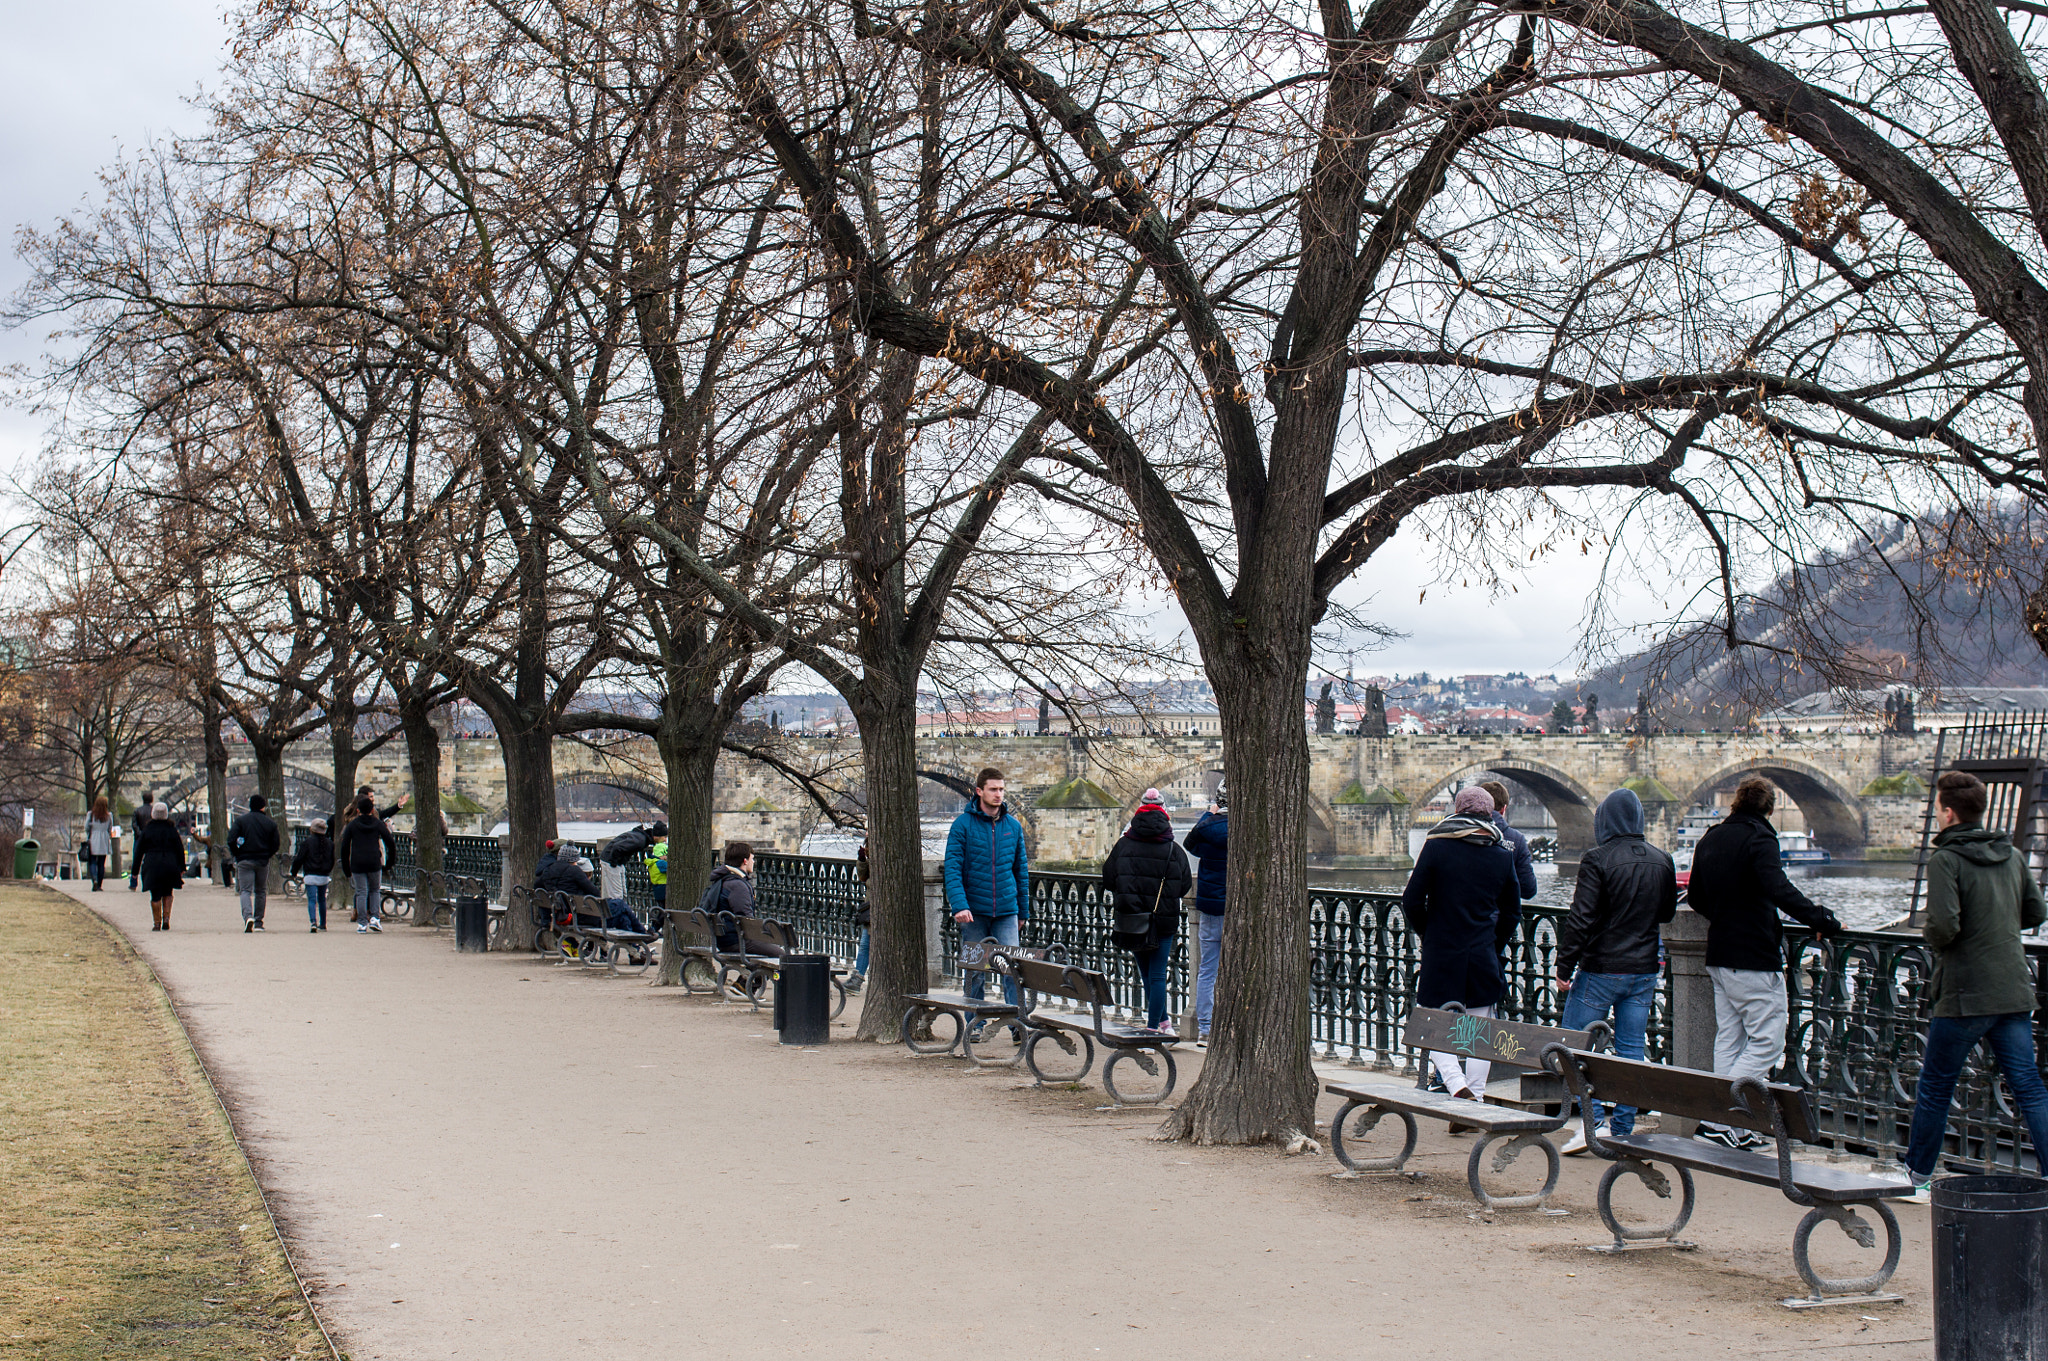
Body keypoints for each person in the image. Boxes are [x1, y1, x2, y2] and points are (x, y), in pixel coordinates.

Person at [1900, 771, 2048, 1201]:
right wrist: (1997, 923)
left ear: (1947, 812)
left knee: (1936, 1087)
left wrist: (1937, 937)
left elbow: (1944, 927)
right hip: (2013, 987)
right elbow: (2035, 913)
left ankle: (1918, 1176)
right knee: (2029, 1087)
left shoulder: (1947, 859)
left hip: (1966, 991)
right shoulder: (2011, 854)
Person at [1686, 775, 1842, 1148]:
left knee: (1730, 1039)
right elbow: (1779, 889)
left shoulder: (1711, 837)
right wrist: (1819, 918)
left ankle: (1733, 1128)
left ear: (1736, 803)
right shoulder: (1760, 838)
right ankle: (1722, 1118)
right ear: (1769, 808)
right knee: (1767, 1042)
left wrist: (1724, 915)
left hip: (1719, 954)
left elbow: (1695, 897)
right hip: (1753, 955)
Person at [1555, 788, 1678, 1152]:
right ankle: (1621, 1127)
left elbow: (1582, 918)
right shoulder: (1663, 859)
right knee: (1630, 1051)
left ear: (1604, 821)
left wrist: (1565, 964)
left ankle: (1590, 1125)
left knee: (1575, 1046)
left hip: (1602, 968)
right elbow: (1667, 914)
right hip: (1643, 970)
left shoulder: (1598, 858)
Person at [1402, 785, 1522, 1102]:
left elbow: (1412, 900)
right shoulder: (1501, 854)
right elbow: (1512, 911)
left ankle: (1456, 1085)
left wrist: (1430, 933)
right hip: (1482, 952)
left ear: (1457, 811)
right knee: (1479, 1028)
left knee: (1431, 1020)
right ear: (1488, 815)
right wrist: (1493, 942)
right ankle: (1476, 1097)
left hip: (1443, 950)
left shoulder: (1437, 848)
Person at [1103, 789, 1193, 1033]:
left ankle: (1162, 1023)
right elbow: (1183, 885)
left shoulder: (1124, 845)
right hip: (1162, 920)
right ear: (1165, 812)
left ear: (1138, 811)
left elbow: (1109, 879)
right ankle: (1155, 1028)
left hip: (1132, 919)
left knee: (1146, 974)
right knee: (1157, 975)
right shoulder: (1173, 850)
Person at [943, 768, 1030, 1008]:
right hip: (973, 912)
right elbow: (952, 869)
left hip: (1006, 910)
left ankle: (1017, 1023)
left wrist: (1022, 911)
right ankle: (975, 1025)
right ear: (979, 791)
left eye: (1001, 789)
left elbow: (1020, 872)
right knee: (975, 971)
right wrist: (959, 905)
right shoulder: (962, 825)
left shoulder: (1013, 826)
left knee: (1012, 969)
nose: (998, 794)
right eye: (993, 789)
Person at [1184, 788, 1229, 1042]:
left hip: (1211, 908)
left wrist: (1206, 816)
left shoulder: (1208, 829)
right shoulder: (1245, 828)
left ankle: (1206, 1028)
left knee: (1208, 969)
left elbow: (1191, 845)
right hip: (1237, 908)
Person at [700, 842, 774, 956]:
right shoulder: (737, 885)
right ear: (745, 861)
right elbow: (746, 917)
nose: (753, 862)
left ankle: (755, 974)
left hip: (723, 940)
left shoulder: (722, 880)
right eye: (752, 859)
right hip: (736, 941)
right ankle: (759, 974)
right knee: (783, 956)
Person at [336, 796, 396, 934]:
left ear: (358, 810)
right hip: (374, 861)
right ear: (372, 810)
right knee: (375, 890)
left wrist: (346, 868)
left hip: (357, 862)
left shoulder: (352, 825)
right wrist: (389, 863)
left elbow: (344, 847)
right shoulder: (378, 824)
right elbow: (390, 843)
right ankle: (375, 918)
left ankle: (362, 923)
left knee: (361, 892)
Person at [228, 794, 282, 933]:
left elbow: (231, 839)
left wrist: (238, 854)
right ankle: (259, 921)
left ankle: (247, 917)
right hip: (262, 860)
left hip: (245, 859)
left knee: (245, 890)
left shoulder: (241, 821)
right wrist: (267, 854)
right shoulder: (270, 823)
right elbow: (276, 844)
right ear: (263, 806)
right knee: (261, 891)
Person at [1478, 780, 1539, 900]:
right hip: (1500, 914)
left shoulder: (1459, 833)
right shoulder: (1516, 840)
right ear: (1504, 809)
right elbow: (1528, 889)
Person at [135, 803, 185, 930]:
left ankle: (157, 922)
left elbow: (139, 851)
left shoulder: (147, 830)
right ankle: (166, 918)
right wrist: (182, 867)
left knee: (155, 893)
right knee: (168, 891)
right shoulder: (172, 830)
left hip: (152, 863)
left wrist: (135, 870)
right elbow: (179, 849)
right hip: (170, 863)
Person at [292, 818, 336, 933]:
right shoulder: (330, 844)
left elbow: (299, 859)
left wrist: (294, 872)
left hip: (310, 874)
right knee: (322, 899)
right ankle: (323, 923)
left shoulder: (307, 843)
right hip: (324, 875)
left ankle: (313, 922)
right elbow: (332, 860)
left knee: (312, 899)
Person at [848, 844, 871, 993]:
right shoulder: (870, 847)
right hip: (870, 906)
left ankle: (857, 978)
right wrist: (862, 859)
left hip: (875, 906)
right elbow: (863, 876)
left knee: (866, 945)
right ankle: (857, 978)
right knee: (865, 945)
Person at [643, 822, 670, 934]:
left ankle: (654, 927)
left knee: (661, 909)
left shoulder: (652, 863)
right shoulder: (660, 864)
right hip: (663, 889)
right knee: (664, 911)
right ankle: (654, 929)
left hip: (658, 889)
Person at [84, 796, 115, 891]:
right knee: (101, 863)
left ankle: (94, 879)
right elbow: (110, 828)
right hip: (104, 839)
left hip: (94, 838)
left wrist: (90, 832)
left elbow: (86, 827)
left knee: (92, 861)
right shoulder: (109, 815)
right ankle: (100, 885)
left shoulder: (91, 814)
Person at [128, 790, 155, 891]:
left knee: (136, 861)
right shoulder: (153, 811)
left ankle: (133, 883)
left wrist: (140, 834)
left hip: (139, 838)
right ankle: (148, 882)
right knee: (149, 860)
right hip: (151, 838)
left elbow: (134, 825)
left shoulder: (137, 811)